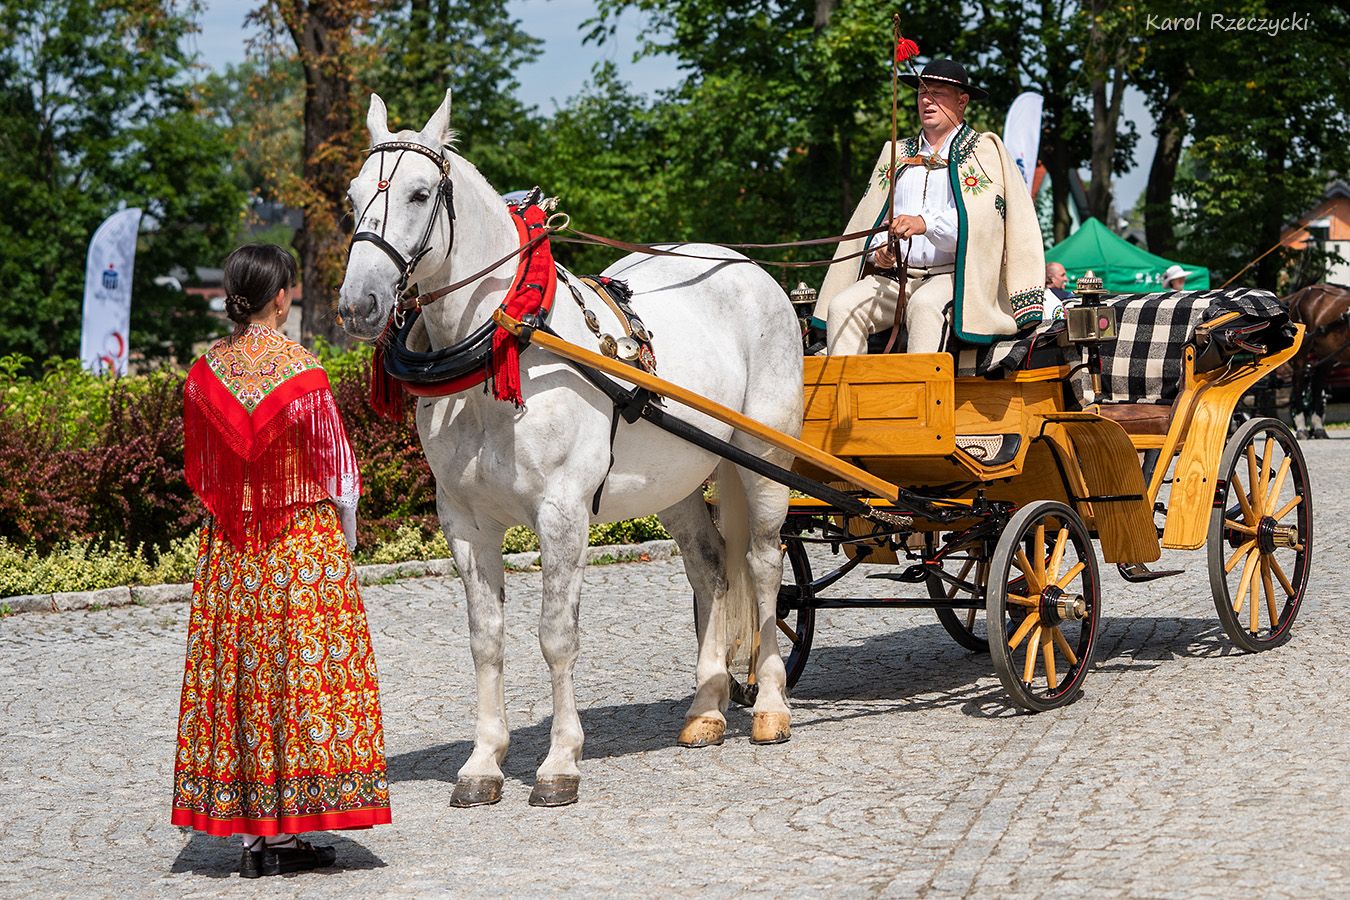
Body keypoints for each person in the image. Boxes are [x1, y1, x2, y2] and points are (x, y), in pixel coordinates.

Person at [171, 244, 390, 878]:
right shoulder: (303, 372)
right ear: (282, 297)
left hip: (231, 550)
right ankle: (291, 828)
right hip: (300, 548)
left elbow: (202, 470)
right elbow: (340, 473)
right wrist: (343, 540)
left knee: (240, 679)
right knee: (303, 682)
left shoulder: (205, 374)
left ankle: (251, 839)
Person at [818, 58, 1047, 354]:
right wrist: (881, 250)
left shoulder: (983, 153)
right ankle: (850, 398)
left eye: (938, 93)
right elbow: (872, 222)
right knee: (842, 307)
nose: (927, 100)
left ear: (962, 101)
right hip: (898, 277)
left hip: (957, 276)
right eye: (922, 93)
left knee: (924, 306)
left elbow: (981, 229)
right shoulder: (896, 153)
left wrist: (925, 224)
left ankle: (921, 399)